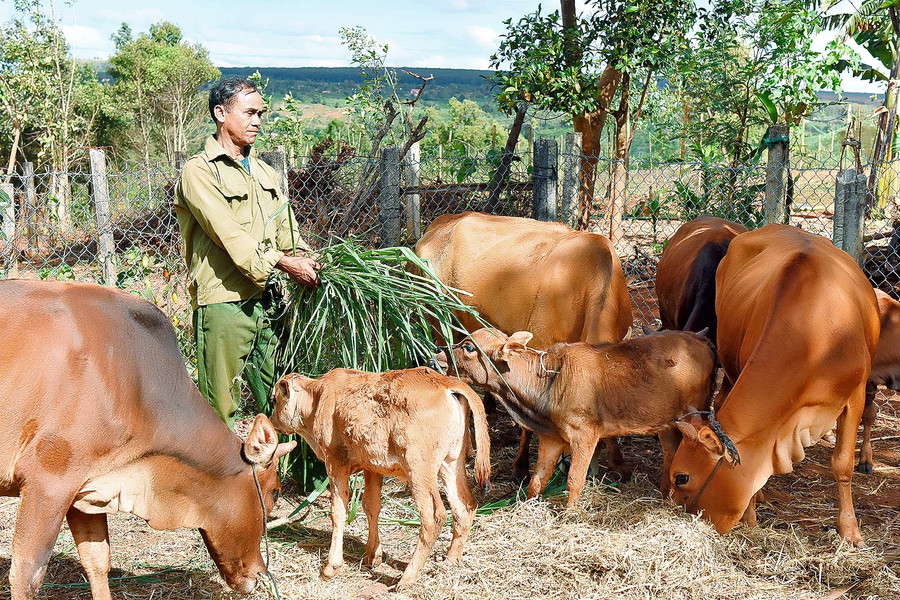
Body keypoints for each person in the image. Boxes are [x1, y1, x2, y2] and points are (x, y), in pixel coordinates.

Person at [175, 76, 319, 427]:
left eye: (261, 114)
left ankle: (288, 462)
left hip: (269, 300)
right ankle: (221, 466)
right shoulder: (199, 172)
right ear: (220, 113)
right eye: (249, 113)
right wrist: (285, 263)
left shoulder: (265, 172)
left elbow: (286, 228)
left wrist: (307, 257)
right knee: (219, 413)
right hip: (224, 304)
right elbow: (229, 234)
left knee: (286, 401)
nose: (257, 121)